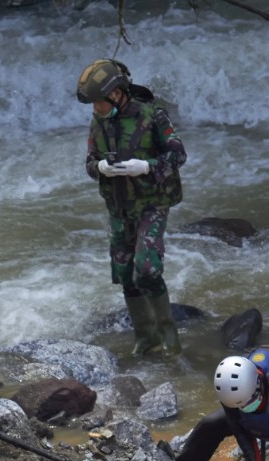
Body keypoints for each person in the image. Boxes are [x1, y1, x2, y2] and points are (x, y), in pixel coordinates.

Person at [77, 59, 187, 357]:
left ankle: (169, 336)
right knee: (126, 275)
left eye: (98, 102)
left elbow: (178, 154)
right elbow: (89, 163)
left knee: (148, 270)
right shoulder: (98, 121)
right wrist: (100, 167)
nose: (95, 109)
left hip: (152, 203)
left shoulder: (153, 116)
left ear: (117, 93)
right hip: (119, 207)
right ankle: (146, 339)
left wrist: (146, 166)